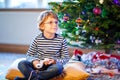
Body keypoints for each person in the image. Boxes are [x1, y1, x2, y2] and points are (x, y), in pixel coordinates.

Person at [14, 10, 70, 80]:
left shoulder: (61, 40)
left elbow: (66, 58)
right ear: (42, 26)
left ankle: (34, 78)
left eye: (56, 22)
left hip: (52, 67)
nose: (55, 24)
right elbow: (29, 55)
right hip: (38, 65)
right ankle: (37, 77)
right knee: (21, 63)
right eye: (50, 22)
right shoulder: (37, 39)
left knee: (58, 68)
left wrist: (54, 61)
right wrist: (35, 61)